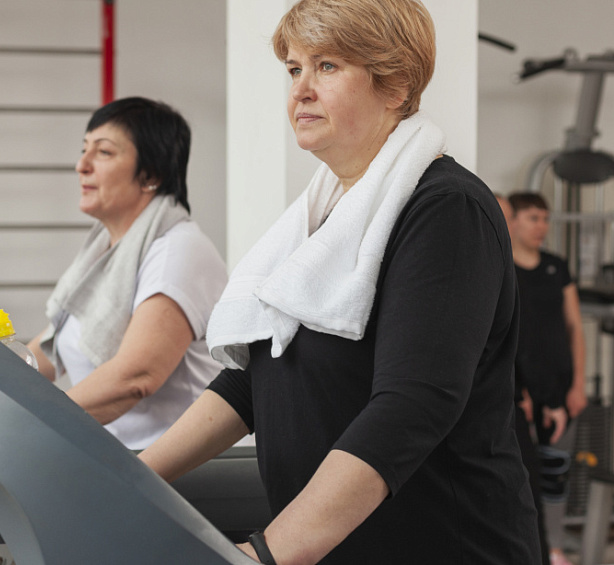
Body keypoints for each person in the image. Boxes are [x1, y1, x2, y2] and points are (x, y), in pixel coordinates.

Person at [139, 1, 541, 563]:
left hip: (442, 545)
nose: (301, 89)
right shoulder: (329, 216)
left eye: (326, 66)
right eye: (294, 69)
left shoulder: (446, 210)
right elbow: (257, 379)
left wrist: (266, 555)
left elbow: (410, 408)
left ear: (396, 85)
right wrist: (132, 474)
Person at [26, 97, 229, 450]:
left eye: (103, 153)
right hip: (119, 461)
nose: (81, 165)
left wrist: (33, 419)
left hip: (179, 469)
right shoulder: (104, 254)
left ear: (150, 175)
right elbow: (48, 352)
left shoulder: (177, 251)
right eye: (84, 150)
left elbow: (136, 377)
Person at [507, 192, 587, 565]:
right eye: (534, 218)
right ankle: (530, 547)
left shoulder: (556, 266)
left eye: (545, 218)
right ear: (515, 221)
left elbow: (575, 328)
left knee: (556, 472)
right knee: (524, 474)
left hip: (561, 387)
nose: (542, 226)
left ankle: (553, 546)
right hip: (521, 391)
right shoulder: (503, 267)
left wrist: (578, 385)